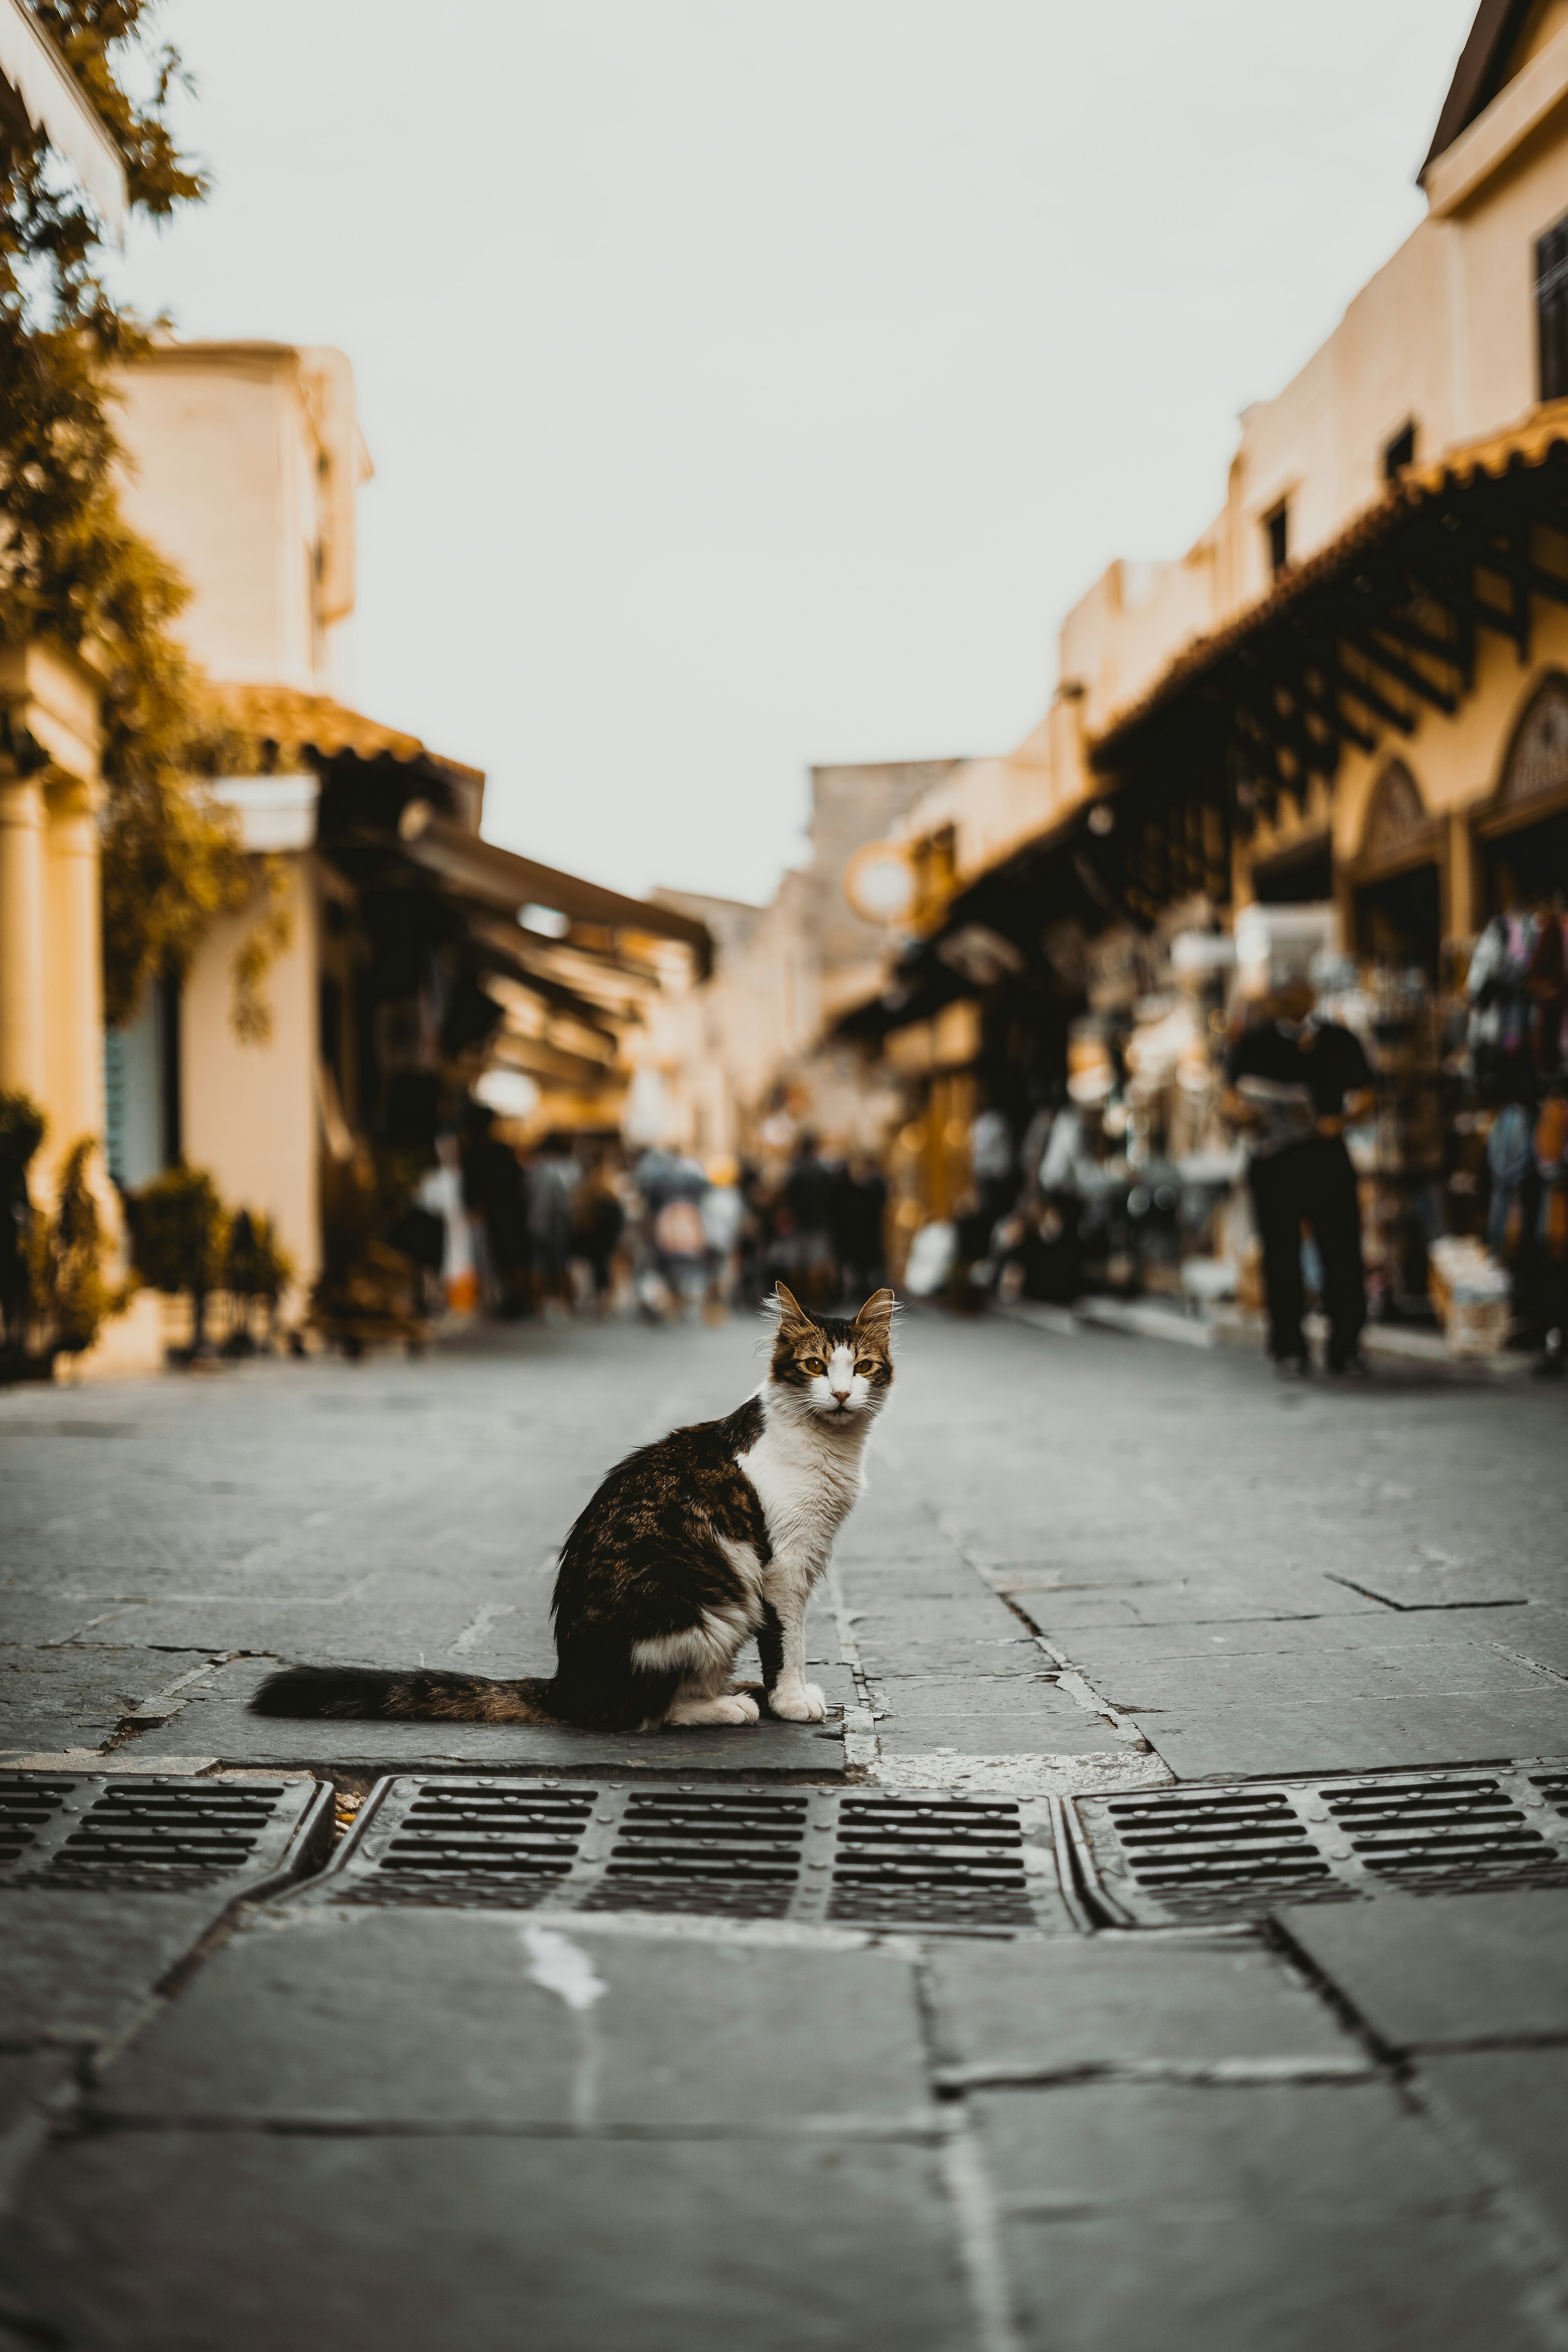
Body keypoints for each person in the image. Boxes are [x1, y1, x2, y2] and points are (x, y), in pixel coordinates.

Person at [1223, 978, 1374, 1376]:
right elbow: (1229, 1098)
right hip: (1274, 1162)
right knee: (1280, 1256)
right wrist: (1245, 1117)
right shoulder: (1253, 1043)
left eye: (1296, 994)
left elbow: (1367, 1093)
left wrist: (1341, 1120)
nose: (1288, 1001)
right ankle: (1289, 1345)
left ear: (1310, 997)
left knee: (1341, 1254)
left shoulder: (1338, 1040)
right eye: (1282, 995)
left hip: (1325, 1157)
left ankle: (1346, 1345)